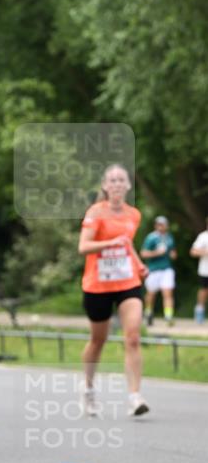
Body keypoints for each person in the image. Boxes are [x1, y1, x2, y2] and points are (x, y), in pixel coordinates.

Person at [78, 164, 149, 417]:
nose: (117, 184)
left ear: (128, 186)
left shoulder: (134, 215)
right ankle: (88, 390)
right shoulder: (96, 213)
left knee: (132, 337)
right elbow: (83, 247)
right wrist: (110, 243)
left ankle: (134, 396)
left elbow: (127, 246)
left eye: (122, 180)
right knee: (98, 340)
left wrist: (139, 265)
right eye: (113, 180)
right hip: (97, 284)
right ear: (105, 186)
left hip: (127, 282)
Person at [140, 216, 177, 326]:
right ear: (156, 225)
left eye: (163, 224)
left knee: (168, 292)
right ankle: (148, 312)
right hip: (153, 269)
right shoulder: (151, 238)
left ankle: (168, 316)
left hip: (166, 269)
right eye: (159, 224)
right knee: (151, 294)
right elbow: (143, 253)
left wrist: (173, 255)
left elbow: (173, 252)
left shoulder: (169, 237)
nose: (161, 227)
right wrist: (157, 253)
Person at [190, 217, 208, 323]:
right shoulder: (203, 237)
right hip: (205, 270)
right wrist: (204, 252)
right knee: (204, 290)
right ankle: (199, 310)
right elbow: (193, 251)